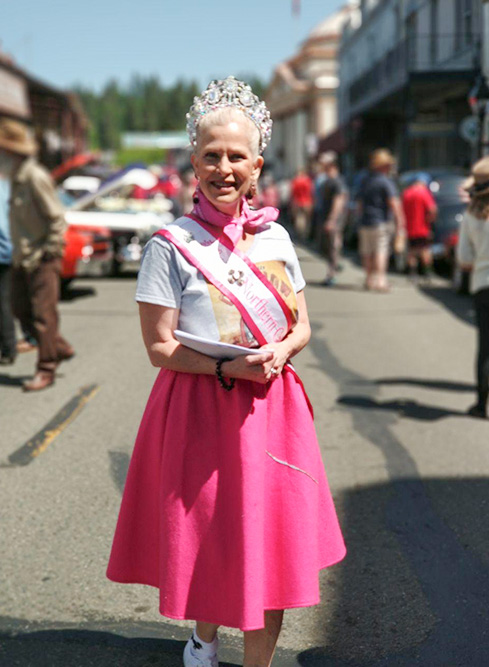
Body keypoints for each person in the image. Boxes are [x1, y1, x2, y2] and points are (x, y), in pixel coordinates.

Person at [107, 77, 346, 667]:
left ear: (256, 164)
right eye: (210, 156)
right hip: (199, 408)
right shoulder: (170, 245)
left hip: (273, 410)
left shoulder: (279, 239)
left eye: (235, 156)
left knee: (270, 549)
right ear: (193, 163)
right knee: (213, 539)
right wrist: (230, 370)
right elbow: (159, 347)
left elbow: (302, 327)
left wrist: (283, 352)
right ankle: (204, 639)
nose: (223, 168)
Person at [0, 119, 74, 391]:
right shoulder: (16, 179)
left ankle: (46, 369)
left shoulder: (34, 177)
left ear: (12, 152)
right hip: (23, 257)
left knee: (44, 316)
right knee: (19, 308)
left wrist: (50, 252)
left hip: (42, 257)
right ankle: (59, 347)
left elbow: (56, 218)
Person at [457, 155, 489, 419]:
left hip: (483, 286)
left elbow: (465, 261)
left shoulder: (470, 216)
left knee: (485, 349)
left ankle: (481, 405)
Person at [356, 148, 406, 291]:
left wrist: (360, 218)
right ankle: (380, 280)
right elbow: (394, 203)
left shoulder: (365, 180)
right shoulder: (386, 182)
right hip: (380, 222)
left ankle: (368, 279)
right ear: (383, 166)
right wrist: (400, 223)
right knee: (380, 251)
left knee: (367, 252)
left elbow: (359, 203)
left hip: (365, 222)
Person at [316, 152, 348, 286]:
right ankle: (335, 266)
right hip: (328, 217)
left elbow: (339, 200)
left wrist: (332, 220)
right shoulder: (328, 180)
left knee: (333, 246)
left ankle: (332, 274)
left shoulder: (336, 181)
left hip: (333, 219)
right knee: (330, 246)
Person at [401, 173, 437, 279]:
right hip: (423, 228)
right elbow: (432, 209)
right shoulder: (424, 193)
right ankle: (427, 272)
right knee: (425, 250)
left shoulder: (406, 193)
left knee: (411, 250)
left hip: (409, 227)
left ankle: (412, 273)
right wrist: (430, 220)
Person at [0, 174, 16, 365]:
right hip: (8, 250)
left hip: (4, 251)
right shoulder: (7, 184)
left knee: (3, 302)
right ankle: (9, 347)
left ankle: (9, 347)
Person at [290, 167, 313, 240]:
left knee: (299, 218)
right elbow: (311, 191)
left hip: (297, 202)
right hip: (307, 201)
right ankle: (306, 234)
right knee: (307, 219)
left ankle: (300, 233)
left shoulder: (295, 181)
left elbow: (292, 193)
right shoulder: (307, 180)